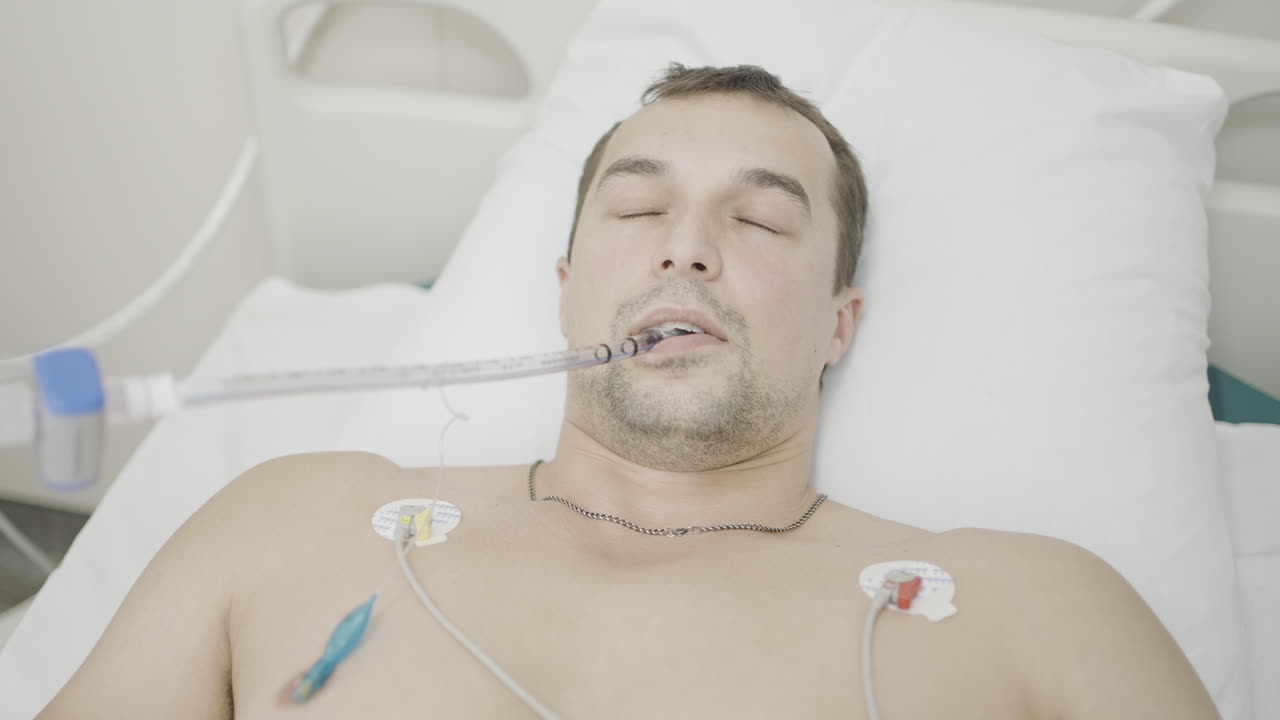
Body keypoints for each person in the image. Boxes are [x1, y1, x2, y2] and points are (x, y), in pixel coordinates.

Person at [39, 63, 1219, 719]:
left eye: (759, 221)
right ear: (567, 293)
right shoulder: (295, 520)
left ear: (837, 324)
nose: (685, 249)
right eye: (639, 208)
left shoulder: (1027, 607)